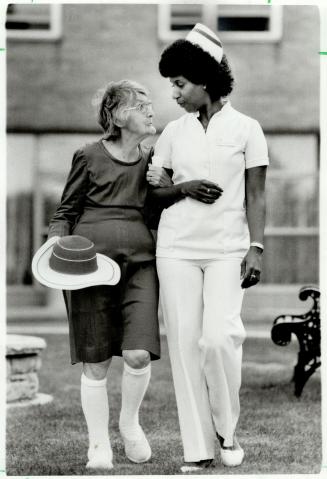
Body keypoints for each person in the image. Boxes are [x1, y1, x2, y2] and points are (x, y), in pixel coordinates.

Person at [147, 23, 269, 471]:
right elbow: (154, 194)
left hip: (226, 251)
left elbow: (257, 194)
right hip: (176, 250)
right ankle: (198, 450)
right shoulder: (173, 133)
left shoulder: (247, 129)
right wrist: (185, 186)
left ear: (204, 81)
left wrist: (255, 247)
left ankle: (226, 430)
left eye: (179, 84)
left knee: (219, 339)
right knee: (183, 349)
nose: (174, 93)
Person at [38, 80, 171, 470]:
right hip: (89, 270)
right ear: (117, 115)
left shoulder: (154, 163)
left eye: (150, 104)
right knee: (96, 361)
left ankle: (129, 425)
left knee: (137, 353)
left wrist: (166, 188)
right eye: (141, 105)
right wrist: (54, 247)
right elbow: (65, 212)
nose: (151, 110)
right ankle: (98, 444)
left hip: (141, 266)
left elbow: (159, 212)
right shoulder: (88, 156)